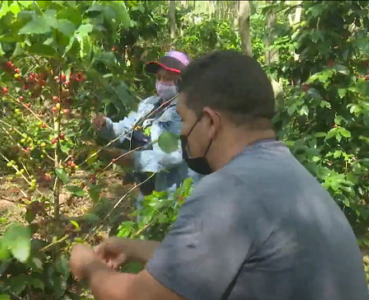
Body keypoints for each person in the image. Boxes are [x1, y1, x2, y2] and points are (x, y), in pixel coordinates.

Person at [70, 50, 368, 300]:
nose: (183, 132)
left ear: (210, 122)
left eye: (185, 121)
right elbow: (222, 258)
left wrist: (88, 266)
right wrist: (135, 248)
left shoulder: (230, 191)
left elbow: (143, 296)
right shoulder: (284, 171)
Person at [92, 50, 202, 212]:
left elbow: (171, 157)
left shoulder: (187, 112)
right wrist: (106, 125)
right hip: (148, 192)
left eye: (168, 78)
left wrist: (133, 159)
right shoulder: (150, 104)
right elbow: (127, 128)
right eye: (159, 77)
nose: (161, 83)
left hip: (173, 196)